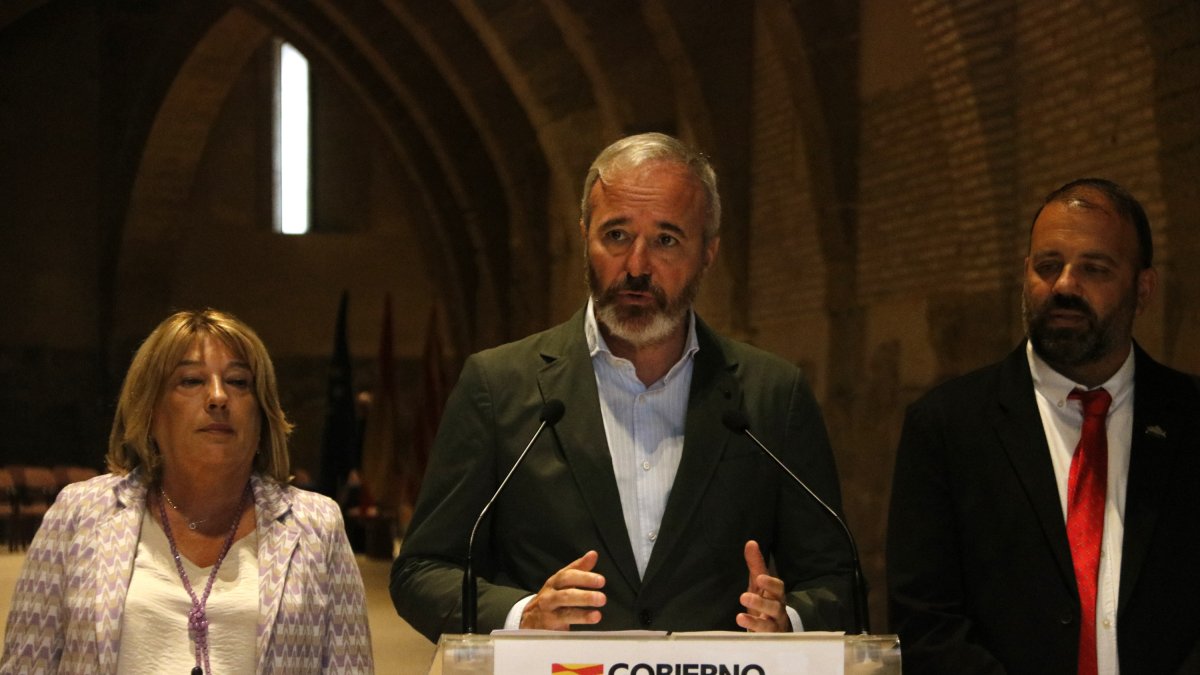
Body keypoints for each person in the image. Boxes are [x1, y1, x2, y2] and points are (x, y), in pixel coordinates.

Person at [391, 132, 853, 642]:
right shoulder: (500, 385)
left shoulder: (770, 396)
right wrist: (523, 616)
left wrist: (788, 621)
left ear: (709, 253)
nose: (636, 266)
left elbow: (838, 580)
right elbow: (422, 571)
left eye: (666, 240)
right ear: (584, 236)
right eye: (616, 235)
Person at [887, 178, 1200, 674]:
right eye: (1047, 266)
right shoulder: (949, 425)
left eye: (1094, 268)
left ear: (1143, 290)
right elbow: (926, 621)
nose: (1065, 286)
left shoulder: (1191, 418)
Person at [1, 309, 373, 674]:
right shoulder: (79, 513)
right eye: (191, 381)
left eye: (239, 382)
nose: (218, 397)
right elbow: (26, 665)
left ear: (262, 414)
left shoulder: (315, 525)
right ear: (149, 410)